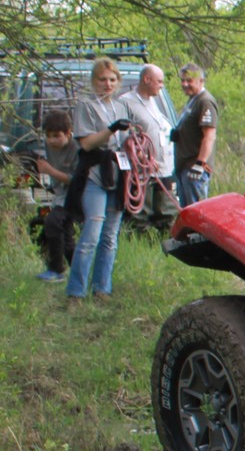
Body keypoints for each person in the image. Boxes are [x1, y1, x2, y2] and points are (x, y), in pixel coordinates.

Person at [65, 56, 131, 306]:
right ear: (94, 82)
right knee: (92, 232)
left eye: (112, 79)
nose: (107, 84)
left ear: (117, 82)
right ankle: (76, 292)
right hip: (94, 173)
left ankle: (102, 288)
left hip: (117, 173)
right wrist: (112, 130)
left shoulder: (121, 106)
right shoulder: (86, 106)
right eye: (102, 79)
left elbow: (130, 141)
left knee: (110, 236)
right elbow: (86, 143)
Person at [117, 64, 177, 228]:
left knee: (166, 213)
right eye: (159, 81)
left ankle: (162, 245)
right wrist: (144, 158)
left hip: (164, 168)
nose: (162, 85)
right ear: (146, 79)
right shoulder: (126, 102)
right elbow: (123, 139)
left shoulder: (154, 101)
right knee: (141, 216)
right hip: (142, 171)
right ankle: (140, 241)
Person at [31, 111, 77, 281]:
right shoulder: (48, 146)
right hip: (60, 193)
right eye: (48, 136)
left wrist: (50, 171)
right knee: (66, 235)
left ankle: (56, 269)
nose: (51, 140)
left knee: (53, 222)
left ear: (68, 132)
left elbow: (74, 179)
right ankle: (79, 270)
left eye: (56, 136)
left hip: (75, 195)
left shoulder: (76, 148)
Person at [171, 64, 219, 206]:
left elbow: (209, 135)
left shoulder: (205, 102)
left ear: (201, 81)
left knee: (197, 210)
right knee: (186, 211)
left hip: (195, 169)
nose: (185, 84)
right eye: (183, 80)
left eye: (189, 81)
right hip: (184, 166)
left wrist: (200, 164)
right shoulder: (193, 100)